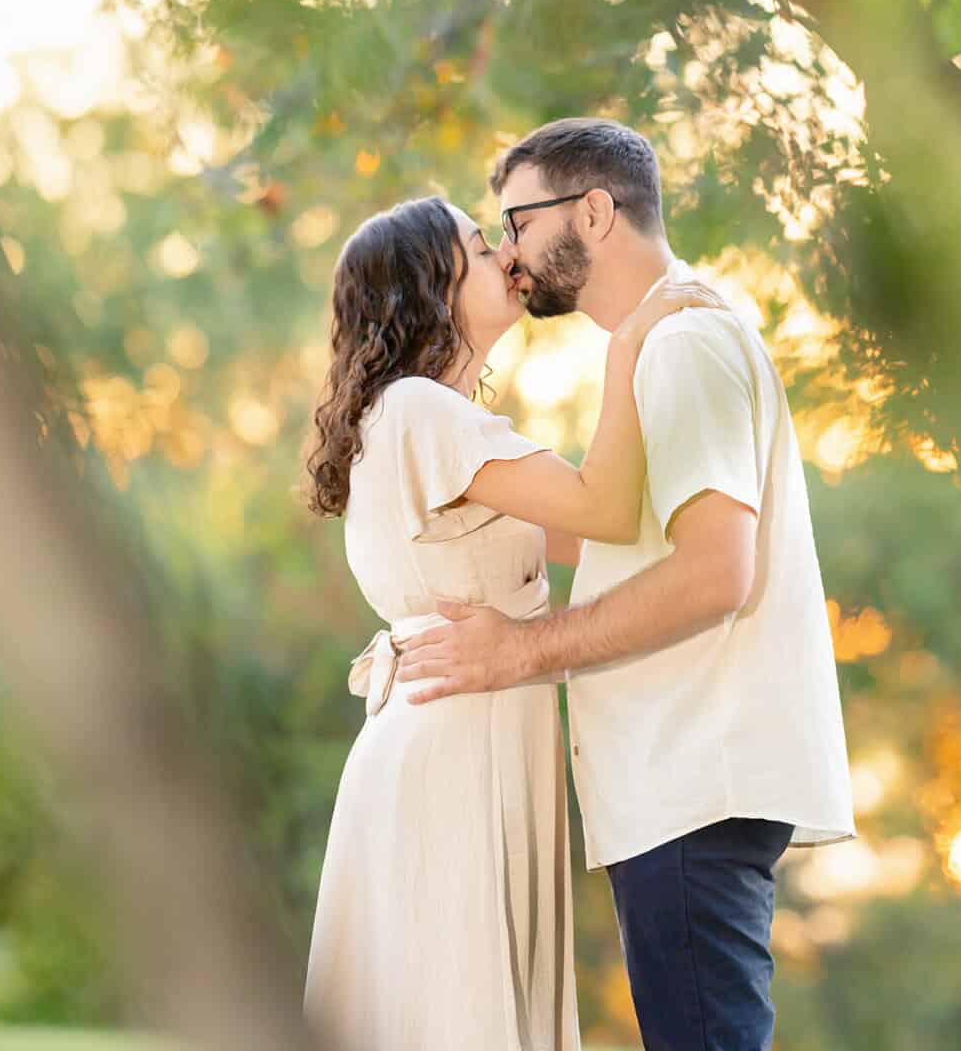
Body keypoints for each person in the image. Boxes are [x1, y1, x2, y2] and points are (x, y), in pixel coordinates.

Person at [394, 118, 857, 1050]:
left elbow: (716, 571)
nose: (512, 256)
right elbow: (625, 529)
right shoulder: (660, 348)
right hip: (681, 783)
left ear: (595, 211)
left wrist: (520, 650)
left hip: (697, 778)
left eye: (517, 222)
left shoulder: (683, 345)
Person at [300, 194, 723, 1051]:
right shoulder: (422, 412)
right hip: (459, 742)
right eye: (479, 243)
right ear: (435, 284)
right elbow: (604, 507)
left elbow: (615, 527)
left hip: (465, 729)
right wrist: (632, 339)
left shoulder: (429, 421)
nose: (506, 255)